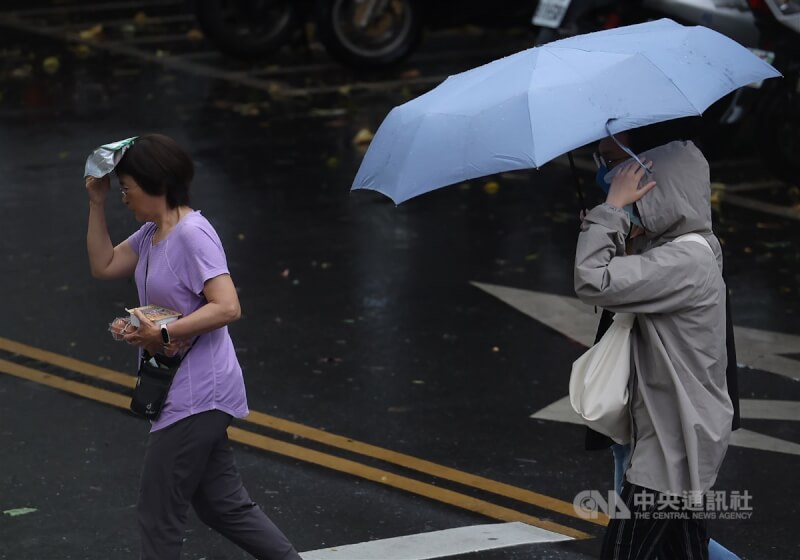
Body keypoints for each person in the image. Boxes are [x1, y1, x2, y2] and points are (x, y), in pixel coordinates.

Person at [85, 134, 302, 560]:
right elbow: (103, 264)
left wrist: (163, 334)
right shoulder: (152, 234)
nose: (123, 197)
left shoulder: (192, 234)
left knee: (157, 513)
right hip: (180, 389)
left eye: (127, 188)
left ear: (158, 184)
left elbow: (227, 306)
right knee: (223, 505)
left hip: (198, 393)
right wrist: (96, 202)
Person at [575, 138, 735, 559]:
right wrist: (610, 230)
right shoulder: (696, 249)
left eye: (642, 198)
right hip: (678, 444)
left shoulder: (684, 263)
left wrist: (609, 212)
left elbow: (595, 280)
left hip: (668, 454)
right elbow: (630, 280)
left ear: (665, 198)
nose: (633, 209)